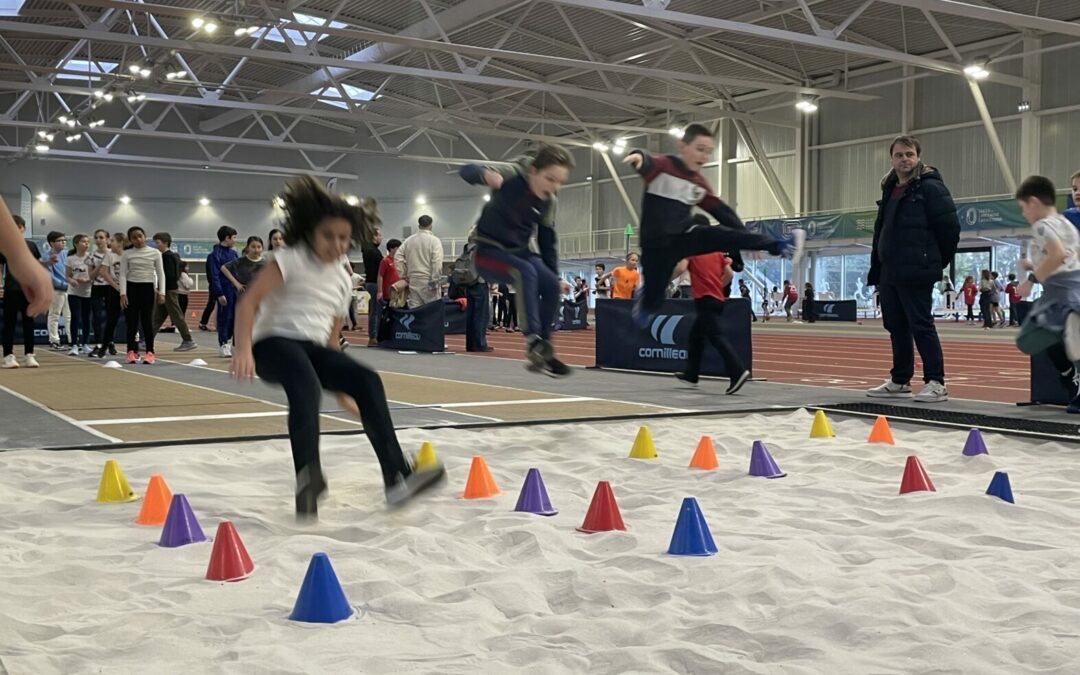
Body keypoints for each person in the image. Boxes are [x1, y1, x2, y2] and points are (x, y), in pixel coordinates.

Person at [230, 176, 445, 516]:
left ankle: (397, 476)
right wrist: (242, 349)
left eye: (344, 238)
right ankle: (308, 477)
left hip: (313, 351)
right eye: (328, 235)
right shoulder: (291, 259)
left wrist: (345, 387)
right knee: (304, 382)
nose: (336, 243)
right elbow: (248, 303)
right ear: (310, 232)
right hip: (272, 345)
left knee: (368, 380)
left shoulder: (343, 281)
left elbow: (330, 342)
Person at [621, 124, 803, 327]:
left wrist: (749, 241)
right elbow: (646, 160)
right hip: (656, 246)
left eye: (708, 152)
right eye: (700, 149)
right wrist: (637, 156)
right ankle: (646, 300)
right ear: (682, 146)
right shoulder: (663, 166)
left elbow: (723, 213)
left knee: (720, 234)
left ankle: (781, 246)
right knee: (653, 300)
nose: (704, 156)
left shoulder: (698, 184)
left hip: (684, 236)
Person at [459, 144, 574, 376]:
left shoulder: (550, 201)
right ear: (533, 170)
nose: (554, 187)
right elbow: (466, 170)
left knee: (551, 283)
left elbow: (547, 243)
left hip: (520, 251)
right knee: (525, 272)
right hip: (488, 253)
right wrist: (485, 175)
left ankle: (545, 348)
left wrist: (553, 275)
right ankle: (532, 341)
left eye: (560, 182)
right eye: (550, 179)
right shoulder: (511, 173)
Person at [866, 135, 960, 403]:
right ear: (891, 158)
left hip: (916, 269)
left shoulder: (931, 188)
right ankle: (900, 379)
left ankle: (936, 382)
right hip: (889, 269)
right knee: (895, 325)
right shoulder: (890, 187)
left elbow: (949, 229)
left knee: (921, 324)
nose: (904, 159)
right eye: (899, 155)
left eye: (909, 154)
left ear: (918, 157)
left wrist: (932, 260)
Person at [1012, 175, 1080, 412]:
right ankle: (1072, 376)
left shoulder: (1045, 224)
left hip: (1063, 292)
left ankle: (1072, 376)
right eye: (1074, 188)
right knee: (1071, 341)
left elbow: (1059, 255)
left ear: (1032, 203)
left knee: (1028, 339)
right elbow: (1071, 257)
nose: (1077, 192)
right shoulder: (1067, 221)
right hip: (1072, 287)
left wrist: (1032, 279)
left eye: (1023, 209)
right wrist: (1037, 267)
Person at [671, 239, 750, 395]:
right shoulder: (716, 252)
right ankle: (691, 374)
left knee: (716, 336)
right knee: (696, 337)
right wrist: (717, 287)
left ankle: (737, 371)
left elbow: (681, 268)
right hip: (717, 299)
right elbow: (729, 273)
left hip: (705, 300)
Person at [1, 213, 50, 368]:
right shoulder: (4, 247)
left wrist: (48, 263)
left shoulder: (31, 246)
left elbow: (38, 265)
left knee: (29, 322)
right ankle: (8, 356)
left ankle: (29, 354)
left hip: (28, 290)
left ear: (23, 229)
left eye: (19, 227)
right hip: (11, 289)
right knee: (9, 323)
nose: (16, 230)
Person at [119, 226, 166, 365]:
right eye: (134, 237)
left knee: (147, 322)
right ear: (131, 240)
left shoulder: (155, 253)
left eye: (140, 236)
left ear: (145, 236)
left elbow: (160, 273)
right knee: (131, 322)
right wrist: (123, 293)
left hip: (147, 288)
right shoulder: (127, 254)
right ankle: (131, 351)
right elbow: (122, 274)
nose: (138, 239)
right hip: (131, 288)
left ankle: (150, 352)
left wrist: (161, 292)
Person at [220, 236, 266, 354]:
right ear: (248, 248)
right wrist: (236, 283)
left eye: (259, 247)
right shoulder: (240, 261)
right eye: (253, 247)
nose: (256, 249)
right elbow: (224, 268)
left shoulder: (265, 263)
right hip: (244, 297)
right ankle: (236, 346)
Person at [151, 232, 197, 351]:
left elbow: (169, 275)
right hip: (167, 289)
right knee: (157, 316)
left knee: (176, 316)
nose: (156, 245)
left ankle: (188, 340)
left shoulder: (167, 257)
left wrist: (162, 290)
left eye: (158, 243)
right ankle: (147, 340)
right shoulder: (172, 256)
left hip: (168, 290)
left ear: (165, 243)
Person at [200, 226, 238, 349]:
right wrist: (220, 293)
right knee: (224, 318)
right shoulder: (215, 255)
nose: (235, 240)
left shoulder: (234, 254)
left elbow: (238, 272)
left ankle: (232, 342)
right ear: (227, 238)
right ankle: (223, 344)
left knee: (235, 318)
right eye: (234, 237)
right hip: (224, 291)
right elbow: (214, 276)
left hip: (235, 291)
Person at [395, 215, 443, 309]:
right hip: (428, 280)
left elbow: (397, 257)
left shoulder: (408, 241)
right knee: (432, 311)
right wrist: (434, 280)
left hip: (413, 280)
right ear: (431, 226)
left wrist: (403, 274)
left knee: (415, 311)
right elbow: (437, 262)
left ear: (418, 225)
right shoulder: (435, 241)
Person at [93, 232, 125, 358]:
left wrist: (125, 288)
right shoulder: (109, 255)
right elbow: (104, 272)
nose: (110, 243)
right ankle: (105, 346)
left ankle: (133, 348)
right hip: (113, 290)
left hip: (128, 289)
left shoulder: (128, 255)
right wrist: (116, 286)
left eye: (113, 240)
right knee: (111, 320)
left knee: (132, 320)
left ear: (121, 242)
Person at [40, 230, 70, 349]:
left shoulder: (67, 254)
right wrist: (65, 284)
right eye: (60, 240)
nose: (63, 242)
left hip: (70, 289)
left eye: (64, 240)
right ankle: (54, 340)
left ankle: (72, 340)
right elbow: (49, 277)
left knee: (69, 316)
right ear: (52, 243)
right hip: (56, 290)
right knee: (54, 315)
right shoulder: (46, 257)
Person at [64, 233, 93, 355]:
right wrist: (72, 281)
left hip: (88, 292)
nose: (86, 244)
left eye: (87, 242)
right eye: (83, 242)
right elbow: (67, 276)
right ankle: (74, 345)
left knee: (86, 318)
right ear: (76, 244)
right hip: (74, 292)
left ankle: (86, 343)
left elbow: (94, 275)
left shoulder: (90, 258)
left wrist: (87, 280)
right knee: (75, 317)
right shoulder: (70, 259)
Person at [374, 238, 401, 345]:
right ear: (392, 249)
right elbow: (380, 276)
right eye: (398, 248)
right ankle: (381, 338)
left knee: (396, 316)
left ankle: (394, 337)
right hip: (387, 293)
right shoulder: (385, 261)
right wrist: (379, 291)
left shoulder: (399, 262)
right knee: (386, 317)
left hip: (397, 294)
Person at [88, 228, 110, 356]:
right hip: (97, 287)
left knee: (110, 315)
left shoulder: (113, 254)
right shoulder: (92, 256)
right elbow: (90, 276)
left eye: (101, 237)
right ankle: (98, 344)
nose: (98, 240)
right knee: (97, 316)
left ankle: (109, 342)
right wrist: (100, 265)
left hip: (110, 287)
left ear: (107, 239)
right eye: (96, 238)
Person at [360, 230, 383, 346]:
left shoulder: (366, 249)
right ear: (373, 237)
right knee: (376, 311)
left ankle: (374, 336)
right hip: (375, 283)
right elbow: (381, 269)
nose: (381, 238)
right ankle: (373, 337)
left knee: (374, 310)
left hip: (370, 281)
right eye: (379, 235)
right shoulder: (374, 252)